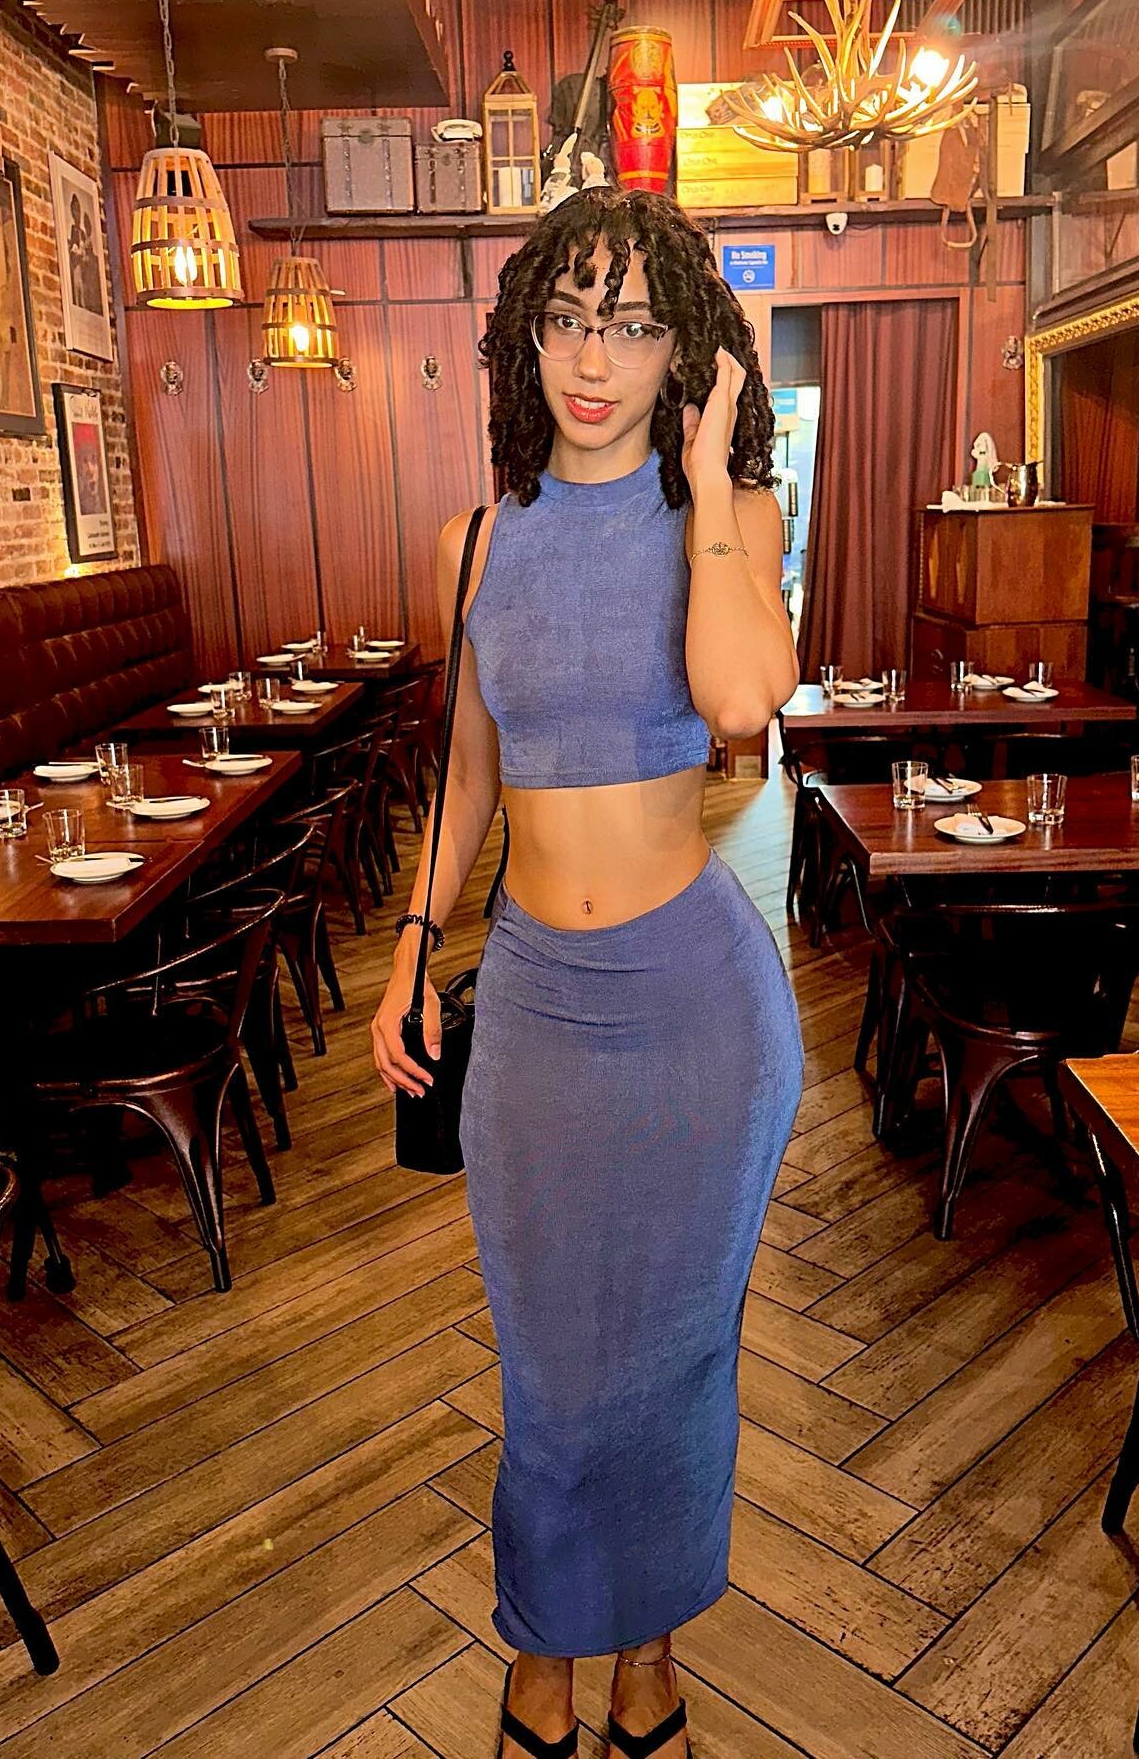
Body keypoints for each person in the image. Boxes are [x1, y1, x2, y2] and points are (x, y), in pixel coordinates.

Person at [371, 184, 804, 1759]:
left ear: (683, 347)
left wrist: (715, 464)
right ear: (523, 342)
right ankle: (547, 1641)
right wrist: (411, 949)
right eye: (566, 321)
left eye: (632, 325)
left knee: (678, 1361)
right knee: (551, 1369)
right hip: (539, 1009)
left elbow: (744, 706)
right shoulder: (476, 544)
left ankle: (651, 1652)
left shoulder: (726, 522)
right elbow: (466, 779)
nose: (595, 360)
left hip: (702, 1010)